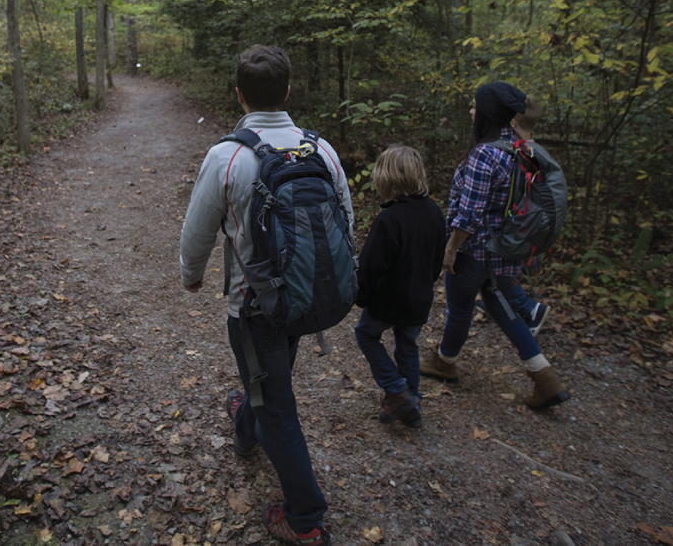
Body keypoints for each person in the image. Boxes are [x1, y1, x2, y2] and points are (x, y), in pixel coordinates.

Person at [180, 45, 349, 546]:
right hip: (306, 297)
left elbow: (197, 231)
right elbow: (344, 222)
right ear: (288, 91)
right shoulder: (321, 150)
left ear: (238, 94)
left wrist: (192, 275)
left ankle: (305, 519)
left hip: (253, 307)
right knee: (268, 382)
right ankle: (246, 421)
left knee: (276, 403)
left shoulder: (227, 155)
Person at [420, 82, 571, 411]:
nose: (471, 111)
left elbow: (469, 214)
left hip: (473, 252)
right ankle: (545, 377)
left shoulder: (485, 154)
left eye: (475, 106)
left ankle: (445, 362)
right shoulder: (522, 148)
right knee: (504, 311)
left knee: (459, 310)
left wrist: (450, 249)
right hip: (506, 252)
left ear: (487, 113)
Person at [353, 145, 445, 429]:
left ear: (385, 178)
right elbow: (436, 259)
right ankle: (411, 405)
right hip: (419, 298)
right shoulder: (434, 212)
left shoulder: (388, 220)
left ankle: (396, 389)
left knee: (366, 335)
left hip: (388, 301)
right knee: (407, 346)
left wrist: (361, 295)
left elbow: (371, 267)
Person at [474, 100, 551, 335]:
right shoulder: (534, 149)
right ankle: (497, 303)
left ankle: (530, 309)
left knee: (497, 272)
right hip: (526, 225)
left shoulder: (516, 151)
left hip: (514, 225)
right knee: (498, 272)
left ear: (512, 122)